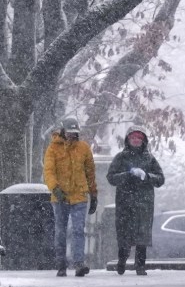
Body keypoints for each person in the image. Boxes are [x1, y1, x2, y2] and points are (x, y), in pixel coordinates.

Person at [43, 116, 98, 277]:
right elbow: (49, 171)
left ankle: (79, 263)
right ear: (63, 131)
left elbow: (90, 173)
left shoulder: (84, 148)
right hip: (60, 197)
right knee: (60, 231)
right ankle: (61, 264)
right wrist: (55, 188)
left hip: (79, 196)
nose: (72, 136)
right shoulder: (52, 149)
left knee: (78, 230)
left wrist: (93, 194)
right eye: (69, 132)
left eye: (74, 133)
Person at [107, 125, 165, 275]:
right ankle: (122, 261)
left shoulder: (150, 158)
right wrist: (127, 174)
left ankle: (140, 265)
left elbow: (160, 179)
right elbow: (111, 177)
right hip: (125, 203)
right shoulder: (120, 157)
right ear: (128, 139)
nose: (136, 140)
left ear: (144, 140)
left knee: (142, 235)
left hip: (144, 204)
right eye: (133, 137)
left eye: (139, 138)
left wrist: (146, 176)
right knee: (124, 234)